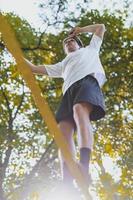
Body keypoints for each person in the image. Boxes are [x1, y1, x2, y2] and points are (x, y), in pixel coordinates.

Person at [24, 23, 107, 189]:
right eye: (66, 42)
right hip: (68, 91)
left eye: (72, 40)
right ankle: (67, 182)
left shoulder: (90, 50)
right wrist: (15, 55)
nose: (69, 42)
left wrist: (80, 30)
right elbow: (33, 69)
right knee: (62, 132)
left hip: (87, 82)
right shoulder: (62, 65)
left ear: (78, 43)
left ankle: (84, 164)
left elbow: (101, 28)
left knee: (79, 110)